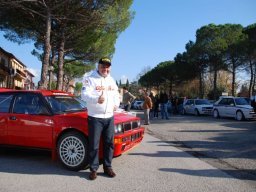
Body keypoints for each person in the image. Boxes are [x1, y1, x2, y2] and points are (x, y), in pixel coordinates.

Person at [81, 57, 120, 180]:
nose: (105, 69)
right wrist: (96, 99)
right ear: (98, 66)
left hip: (109, 117)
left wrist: (116, 104)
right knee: (94, 145)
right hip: (95, 117)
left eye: (107, 67)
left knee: (109, 144)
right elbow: (83, 95)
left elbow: (117, 95)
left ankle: (108, 167)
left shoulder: (112, 80)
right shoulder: (90, 78)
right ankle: (93, 169)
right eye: (103, 66)